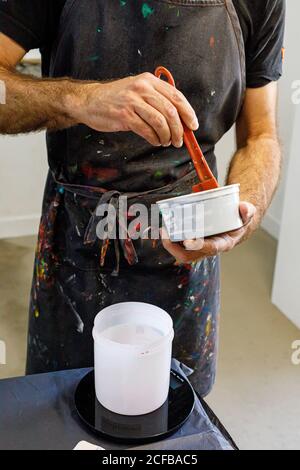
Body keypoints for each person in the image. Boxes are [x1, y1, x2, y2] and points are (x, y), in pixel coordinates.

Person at [0, 0, 285, 396]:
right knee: (61, 415)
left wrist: (245, 211)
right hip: (73, 258)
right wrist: (80, 99)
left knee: (173, 426)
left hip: (187, 263)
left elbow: (261, 136)